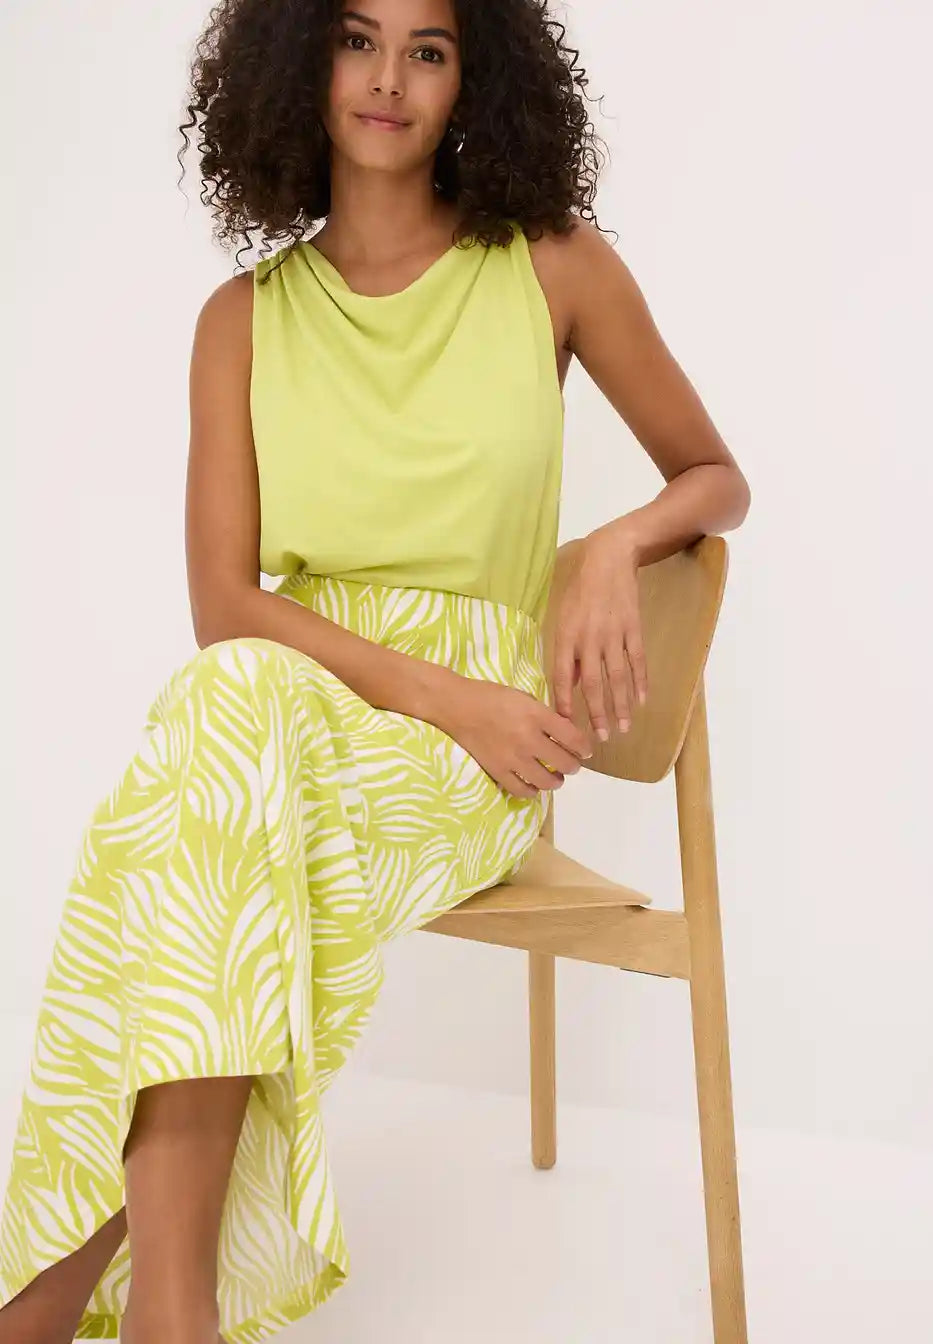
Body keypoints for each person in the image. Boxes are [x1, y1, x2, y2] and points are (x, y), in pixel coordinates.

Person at [0, 1, 751, 1341]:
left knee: (193, 821)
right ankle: (168, 1313)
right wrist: (439, 693)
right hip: (293, 702)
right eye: (357, 40)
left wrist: (609, 547)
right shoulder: (241, 319)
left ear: (477, 81)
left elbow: (716, 477)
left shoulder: (553, 268)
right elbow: (227, 609)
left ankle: (52, 1303)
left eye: (429, 50)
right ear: (299, 65)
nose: (390, 78)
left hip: (481, 744)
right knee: (224, 739)